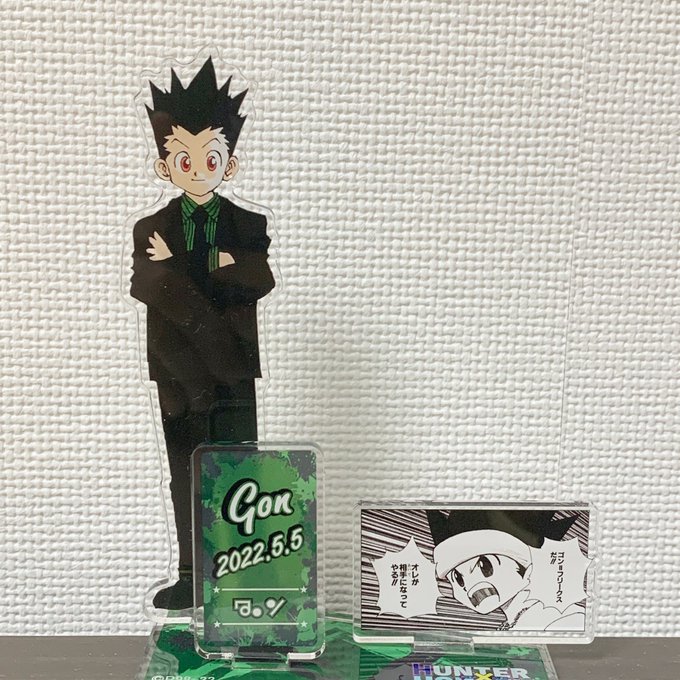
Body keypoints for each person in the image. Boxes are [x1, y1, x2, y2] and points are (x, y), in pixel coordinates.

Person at [131, 57, 275, 611]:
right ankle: (193, 575)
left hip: (234, 370)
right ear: (164, 165)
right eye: (183, 159)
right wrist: (215, 269)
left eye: (209, 158)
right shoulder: (150, 228)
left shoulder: (250, 225)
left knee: (237, 473)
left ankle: (238, 576)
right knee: (185, 474)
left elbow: (257, 279)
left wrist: (180, 266)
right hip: (177, 372)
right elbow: (147, 286)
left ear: (229, 164)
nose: (197, 169)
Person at [427, 509, 586, 631]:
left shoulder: (563, 620)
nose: (472, 588)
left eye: (485, 567)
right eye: (458, 579)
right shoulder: (512, 623)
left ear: (525, 567)